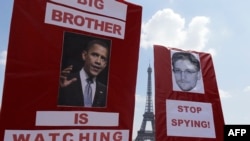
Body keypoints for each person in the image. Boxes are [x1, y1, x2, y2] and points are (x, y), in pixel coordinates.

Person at [58, 39, 110, 107]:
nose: (98, 61)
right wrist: (59, 89)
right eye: (95, 55)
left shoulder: (106, 91)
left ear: (105, 64)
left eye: (103, 58)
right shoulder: (64, 82)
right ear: (84, 55)